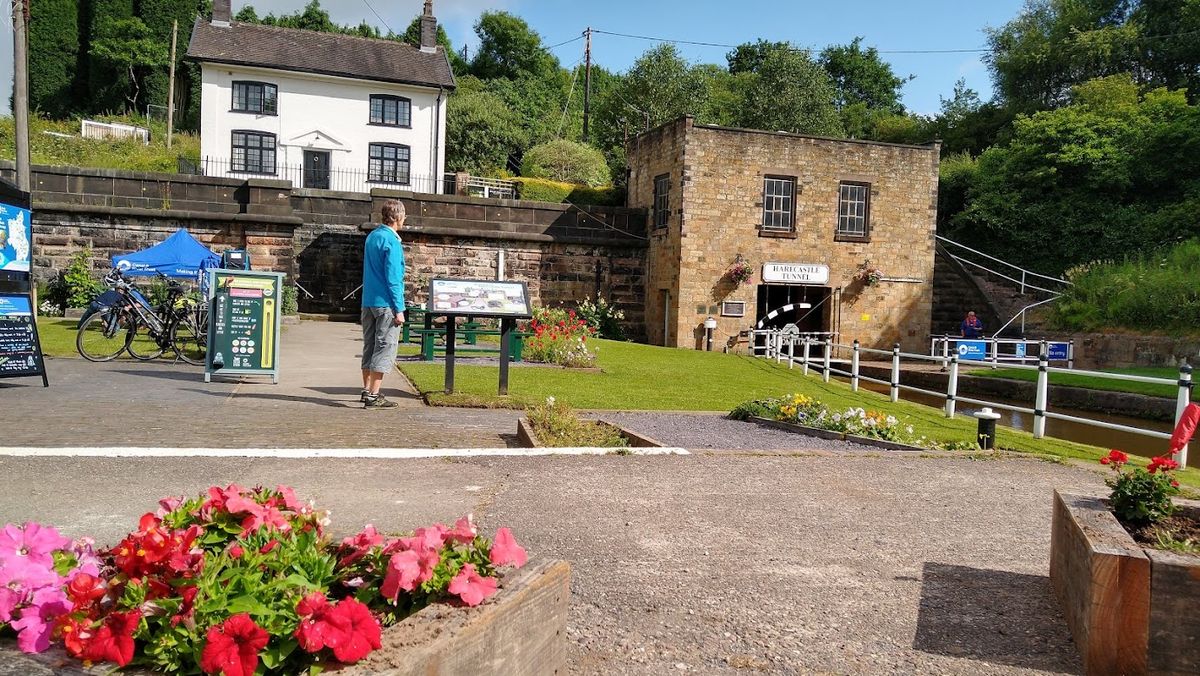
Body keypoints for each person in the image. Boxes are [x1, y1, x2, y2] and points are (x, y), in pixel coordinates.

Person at [360, 199, 407, 409]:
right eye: (404, 216)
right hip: (386, 302)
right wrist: (400, 309)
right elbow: (393, 278)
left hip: (368, 300)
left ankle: (366, 389)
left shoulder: (372, 236)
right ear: (397, 217)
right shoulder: (392, 241)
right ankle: (374, 394)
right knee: (384, 347)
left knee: (369, 346)